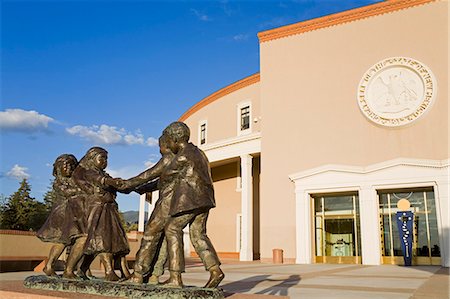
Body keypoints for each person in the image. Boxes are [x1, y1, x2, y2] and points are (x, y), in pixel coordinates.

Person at [160, 121, 224, 288]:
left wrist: (134, 185)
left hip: (190, 200)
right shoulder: (199, 152)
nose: (167, 144)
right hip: (205, 200)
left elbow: (166, 176)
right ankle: (215, 270)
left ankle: (175, 277)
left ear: (174, 139)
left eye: (168, 140)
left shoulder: (183, 155)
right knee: (198, 235)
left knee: (172, 228)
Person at [71, 147, 130, 281]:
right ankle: (109, 272)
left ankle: (81, 270)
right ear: (92, 159)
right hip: (98, 209)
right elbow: (98, 179)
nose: (105, 161)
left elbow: (115, 185)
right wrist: (111, 182)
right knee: (103, 238)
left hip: (109, 208)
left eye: (106, 158)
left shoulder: (104, 174)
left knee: (105, 240)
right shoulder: (89, 172)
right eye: (102, 158)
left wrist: (127, 185)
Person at [37, 154, 86, 277]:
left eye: (71, 165)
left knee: (64, 241)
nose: (69, 168)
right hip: (63, 216)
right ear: (59, 168)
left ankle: (52, 267)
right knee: (74, 240)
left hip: (72, 216)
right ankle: (63, 269)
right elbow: (68, 192)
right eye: (66, 165)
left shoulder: (74, 180)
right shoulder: (59, 183)